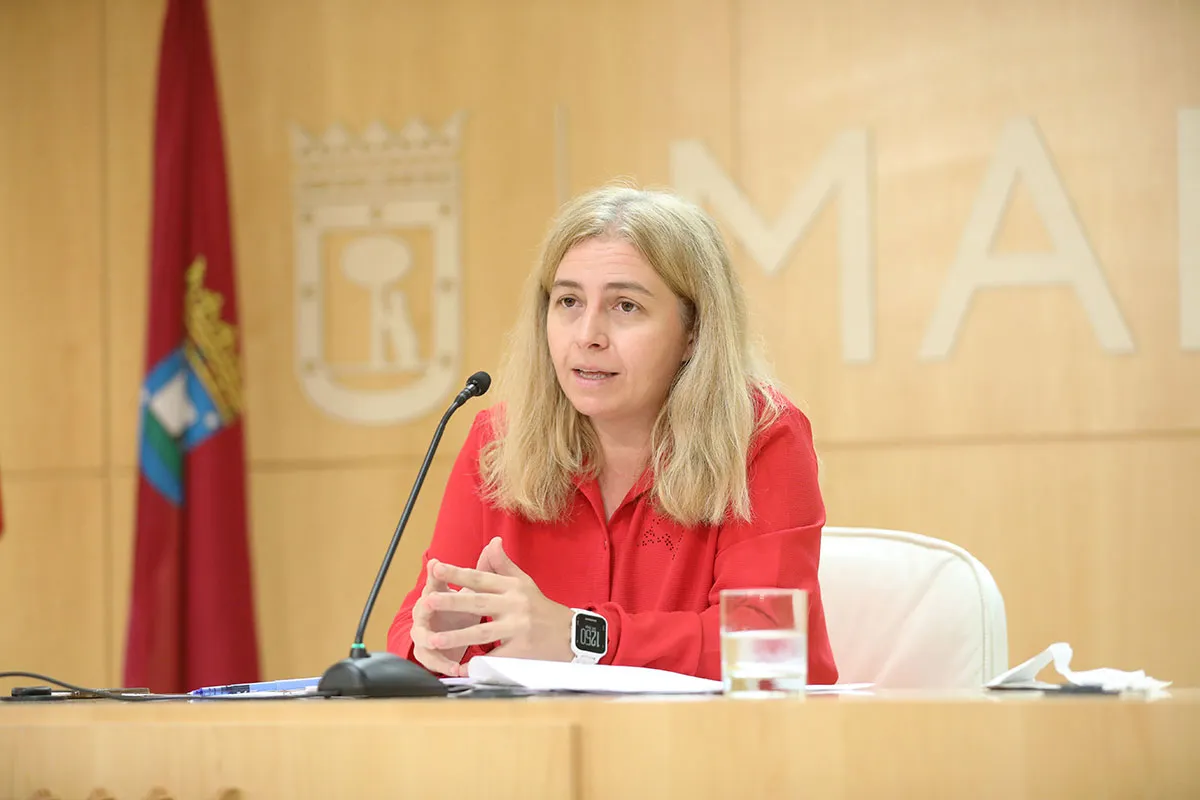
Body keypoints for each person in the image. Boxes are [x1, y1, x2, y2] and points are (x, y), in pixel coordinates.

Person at [387, 184, 838, 684]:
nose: (588, 335)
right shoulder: (498, 441)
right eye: (569, 302)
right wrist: (431, 636)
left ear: (694, 331)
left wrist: (581, 636)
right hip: (536, 754)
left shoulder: (761, 437)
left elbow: (772, 648)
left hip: (703, 753)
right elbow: (411, 625)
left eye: (626, 306)